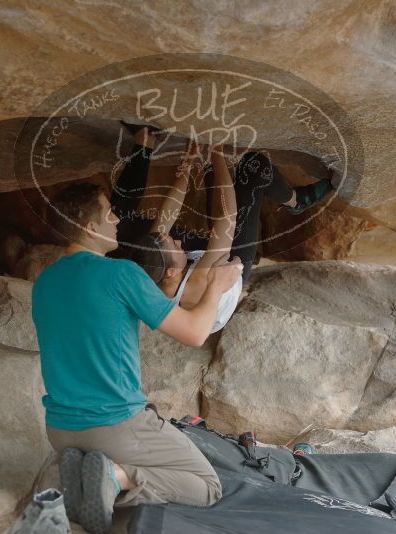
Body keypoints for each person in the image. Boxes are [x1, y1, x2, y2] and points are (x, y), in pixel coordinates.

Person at [31, 182, 242, 533]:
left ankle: (82, 471)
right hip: (114, 427)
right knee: (207, 485)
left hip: (60, 428)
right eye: (108, 211)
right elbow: (194, 333)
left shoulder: (46, 281)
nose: (117, 218)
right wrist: (217, 287)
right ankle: (114, 479)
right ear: (89, 228)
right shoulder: (120, 273)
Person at [112, 124, 340, 332]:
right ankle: (295, 201)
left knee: (122, 228)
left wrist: (188, 162)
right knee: (255, 166)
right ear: (170, 273)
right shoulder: (199, 281)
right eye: (173, 245)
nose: (178, 240)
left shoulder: (151, 268)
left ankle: (152, 143)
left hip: (193, 263)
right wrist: (216, 152)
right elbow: (226, 219)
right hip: (230, 263)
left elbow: (166, 216)